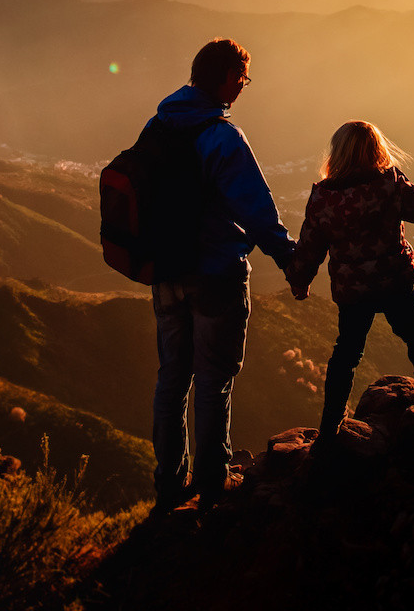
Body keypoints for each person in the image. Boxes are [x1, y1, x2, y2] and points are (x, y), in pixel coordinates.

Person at [149, 38, 296, 509]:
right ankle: (212, 481)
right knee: (213, 380)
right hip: (215, 274)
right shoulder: (222, 137)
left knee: (172, 379)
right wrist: (291, 258)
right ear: (226, 78)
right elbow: (256, 211)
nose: (243, 87)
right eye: (241, 78)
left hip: (166, 272)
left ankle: (169, 483)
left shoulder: (159, 124)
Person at [286, 120, 414, 442]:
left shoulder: (323, 198)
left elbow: (309, 248)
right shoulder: (389, 186)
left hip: (353, 291)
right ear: (376, 151)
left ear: (337, 154)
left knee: (346, 354)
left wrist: (299, 281)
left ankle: (330, 426)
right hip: (394, 283)